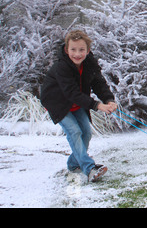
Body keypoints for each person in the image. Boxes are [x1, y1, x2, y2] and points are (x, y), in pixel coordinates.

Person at [40, 30, 117, 182]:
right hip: (58, 103)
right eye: (73, 49)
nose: (77, 54)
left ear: (88, 50)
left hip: (76, 102)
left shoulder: (89, 63)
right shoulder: (61, 67)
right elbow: (71, 93)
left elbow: (98, 82)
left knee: (86, 133)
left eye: (81, 50)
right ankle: (89, 168)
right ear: (66, 49)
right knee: (74, 132)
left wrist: (108, 99)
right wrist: (97, 105)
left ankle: (73, 164)